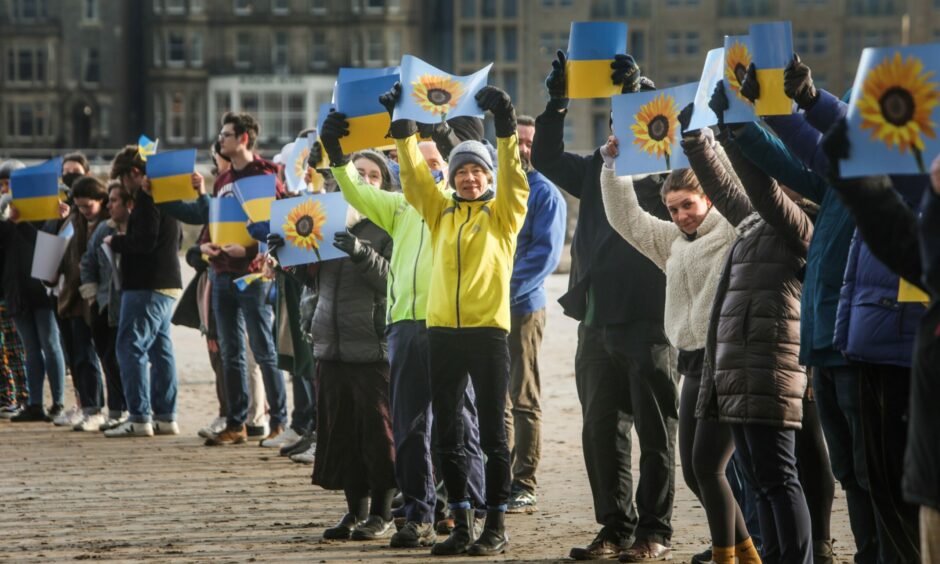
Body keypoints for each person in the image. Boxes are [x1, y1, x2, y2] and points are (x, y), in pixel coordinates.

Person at [531, 51, 679, 562]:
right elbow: (546, 160)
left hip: (652, 322)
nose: (621, 132)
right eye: (618, 121)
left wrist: (635, 94)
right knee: (600, 430)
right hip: (595, 323)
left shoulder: (668, 174)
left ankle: (654, 531)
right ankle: (614, 527)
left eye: (631, 119)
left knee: (657, 433)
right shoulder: (597, 165)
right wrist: (555, 105)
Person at [315, 116, 486, 548]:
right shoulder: (399, 206)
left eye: (434, 163)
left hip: (450, 323)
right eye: (418, 163)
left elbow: (483, 174)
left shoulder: (462, 203)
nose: (424, 170)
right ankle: (417, 514)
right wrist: (335, 152)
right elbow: (356, 191)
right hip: (404, 326)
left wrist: (441, 139)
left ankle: (472, 509)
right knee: (409, 427)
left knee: (459, 424)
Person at [735, 59, 877, 562]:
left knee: (874, 473)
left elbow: (838, 139)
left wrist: (815, 102)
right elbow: (792, 159)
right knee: (852, 474)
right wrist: (745, 121)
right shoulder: (839, 185)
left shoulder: (899, 186)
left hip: (868, 351)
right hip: (823, 344)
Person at [600, 114, 760, 563]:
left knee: (709, 468)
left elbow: (734, 185)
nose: (681, 216)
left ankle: (729, 556)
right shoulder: (672, 241)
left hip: (729, 359)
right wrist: (612, 167)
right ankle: (747, 553)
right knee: (695, 471)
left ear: (708, 197)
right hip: (690, 363)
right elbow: (628, 220)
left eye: (688, 205)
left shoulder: (733, 230)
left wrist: (703, 143)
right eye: (673, 209)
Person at [382, 82, 528, 557]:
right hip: (442, 332)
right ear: (452, 176)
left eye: (476, 172)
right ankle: (461, 524)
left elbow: (513, 175)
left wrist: (505, 128)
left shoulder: (503, 214)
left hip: (487, 334)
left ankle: (496, 524)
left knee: (491, 434)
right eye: (461, 171)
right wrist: (403, 125)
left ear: (487, 178)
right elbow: (411, 178)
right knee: (447, 432)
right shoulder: (439, 212)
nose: (469, 178)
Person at [688, 110, 815, 564]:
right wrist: (695, 138)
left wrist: (732, 129)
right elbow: (724, 188)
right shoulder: (755, 224)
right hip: (737, 367)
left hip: (770, 367)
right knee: (758, 480)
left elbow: (761, 188)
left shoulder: (800, 225)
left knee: (779, 478)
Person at [269, 149, 397, 543]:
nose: (362, 180)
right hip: (330, 344)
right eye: (356, 173)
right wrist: (287, 259)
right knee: (341, 432)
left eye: (372, 175)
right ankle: (353, 512)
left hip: (371, 346)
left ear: (384, 184)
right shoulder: (325, 222)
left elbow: (393, 282)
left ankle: (382, 513)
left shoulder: (390, 225)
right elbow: (316, 284)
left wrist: (360, 253)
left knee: (377, 435)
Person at [159, 113, 288, 446]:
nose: (220, 140)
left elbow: (277, 225)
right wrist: (210, 245)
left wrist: (245, 250)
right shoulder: (222, 179)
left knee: (263, 350)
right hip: (220, 272)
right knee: (230, 352)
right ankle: (236, 423)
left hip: (252, 276)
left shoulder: (266, 174)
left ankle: (279, 422)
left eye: (226, 134)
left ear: (244, 138)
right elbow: (212, 220)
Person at [504, 114, 566, 515]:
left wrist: (499, 294)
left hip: (522, 309)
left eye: (530, 142)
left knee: (522, 396)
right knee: (493, 400)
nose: (524, 149)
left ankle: (524, 481)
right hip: (484, 310)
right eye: (518, 142)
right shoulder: (495, 188)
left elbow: (543, 258)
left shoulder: (544, 194)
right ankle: (495, 478)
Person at [102, 146, 182, 437]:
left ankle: (138, 416)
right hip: (167, 282)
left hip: (145, 284)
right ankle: (165, 415)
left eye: (123, 180)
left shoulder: (147, 198)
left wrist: (117, 242)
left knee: (129, 346)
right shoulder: (166, 194)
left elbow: (144, 241)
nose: (124, 187)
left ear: (134, 173)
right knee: (161, 351)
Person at [1, 160, 68, 423]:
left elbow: (44, 243)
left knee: (51, 345)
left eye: (10, 184)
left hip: (41, 288)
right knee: (30, 348)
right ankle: (35, 403)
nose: (6, 190)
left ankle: (59, 402)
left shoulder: (45, 211)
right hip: (16, 290)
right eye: (3, 185)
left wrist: (21, 222)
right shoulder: (4, 217)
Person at [80, 180, 133, 430]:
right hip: (102, 303)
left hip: (129, 303)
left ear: (127, 204)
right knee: (106, 357)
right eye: (108, 200)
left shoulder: (137, 229)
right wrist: (91, 296)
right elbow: (88, 261)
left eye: (114, 201)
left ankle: (127, 409)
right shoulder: (103, 229)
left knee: (120, 355)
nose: (109, 206)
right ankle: (115, 410)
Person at [60, 176, 109, 431]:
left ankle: (102, 409)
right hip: (75, 296)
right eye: (78, 206)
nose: (83, 211)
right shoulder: (74, 221)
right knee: (80, 355)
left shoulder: (106, 223)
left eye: (87, 206)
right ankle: (90, 407)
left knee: (100, 356)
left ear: (101, 201)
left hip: (100, 296)